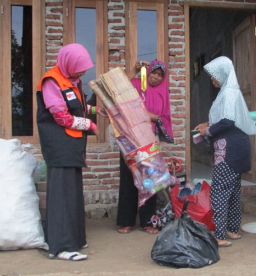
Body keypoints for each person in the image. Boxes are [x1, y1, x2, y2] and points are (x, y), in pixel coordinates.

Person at [36, 43, 106, 261]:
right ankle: (60, 247)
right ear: (68, 63)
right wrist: (90, 125)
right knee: (61, 195)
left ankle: (74, 238)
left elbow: (78, 106)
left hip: (73, 146)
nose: (83, 72)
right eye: (80, 68)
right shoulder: (51, 81)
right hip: (59, 146)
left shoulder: (72, 81)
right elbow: (61, 117)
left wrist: (96, 110)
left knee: (73, 193)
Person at [195, 56, 256, 247]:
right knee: (233, 191)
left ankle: (220, 235)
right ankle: (232, 230)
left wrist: (209, 130)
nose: (212, 78)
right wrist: (207, 125)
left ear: (222, 73)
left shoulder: (228, 93)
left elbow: (228, 121)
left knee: (220, 192)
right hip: (237, 147)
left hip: (229, 150)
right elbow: (228, 119)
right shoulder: (230, 92)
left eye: (214, 74)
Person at [117, 60, 174, 234]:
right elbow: (120, 89)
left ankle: (147, 222)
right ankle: (126, 221)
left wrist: (147, 115)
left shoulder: (162, 94)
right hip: (130, 139)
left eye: (159, 75)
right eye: (153, 73)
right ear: (147, 73)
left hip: (149, 140)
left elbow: (163, 118)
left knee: (150, 180)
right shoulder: (136, 85)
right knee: (129, 179)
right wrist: (134, 70)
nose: (155, 77)